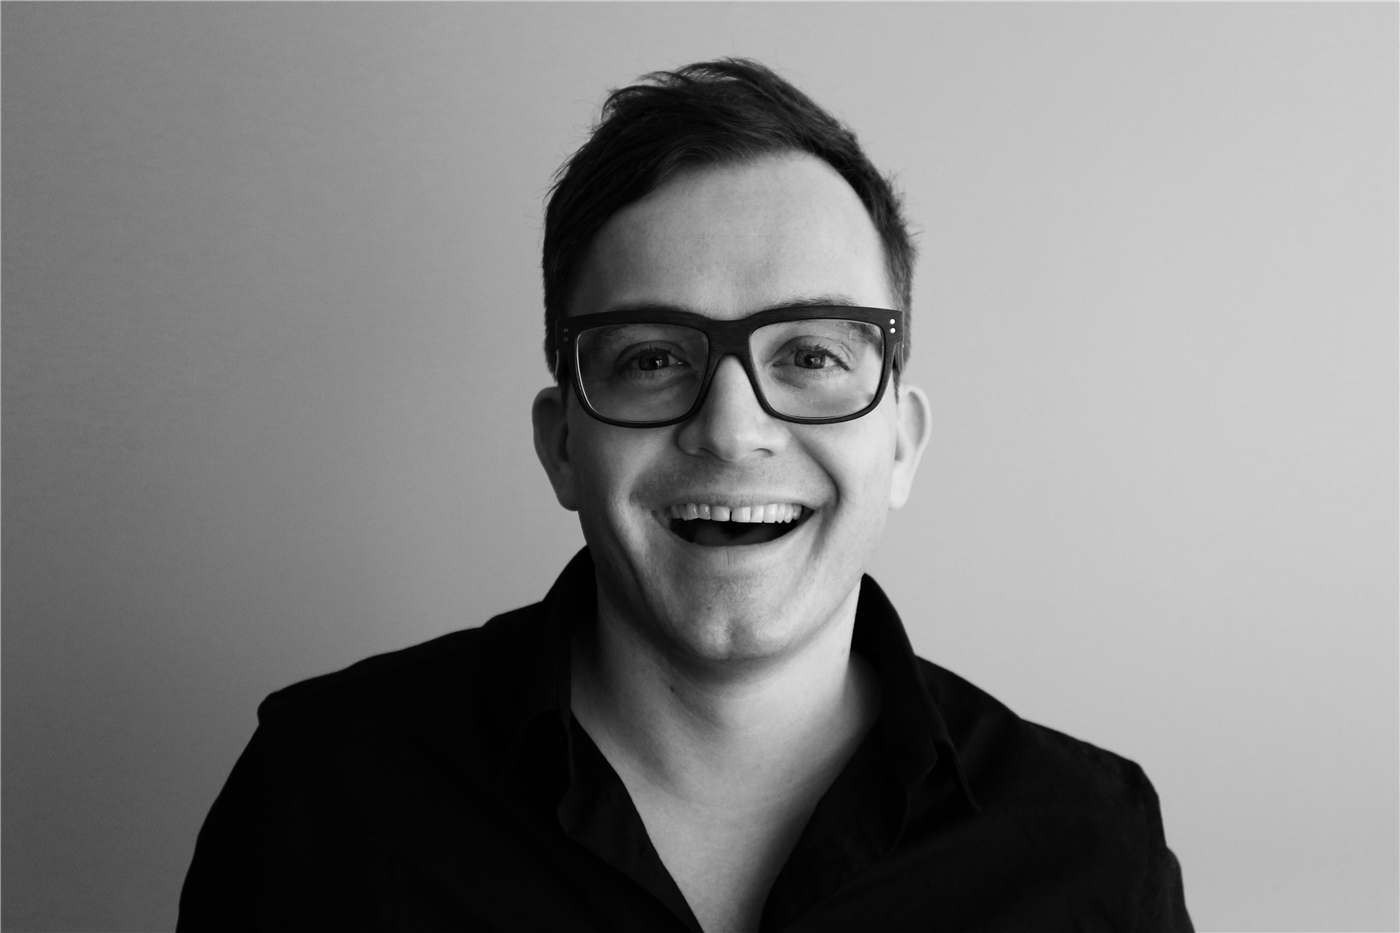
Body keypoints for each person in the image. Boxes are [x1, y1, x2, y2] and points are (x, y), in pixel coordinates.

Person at [179, 59, 1192, 932]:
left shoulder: (1091, 850)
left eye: (810, 354)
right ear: (562, 445)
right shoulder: (321, 800)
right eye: (654, 357)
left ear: (900, 444)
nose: (731, 427)